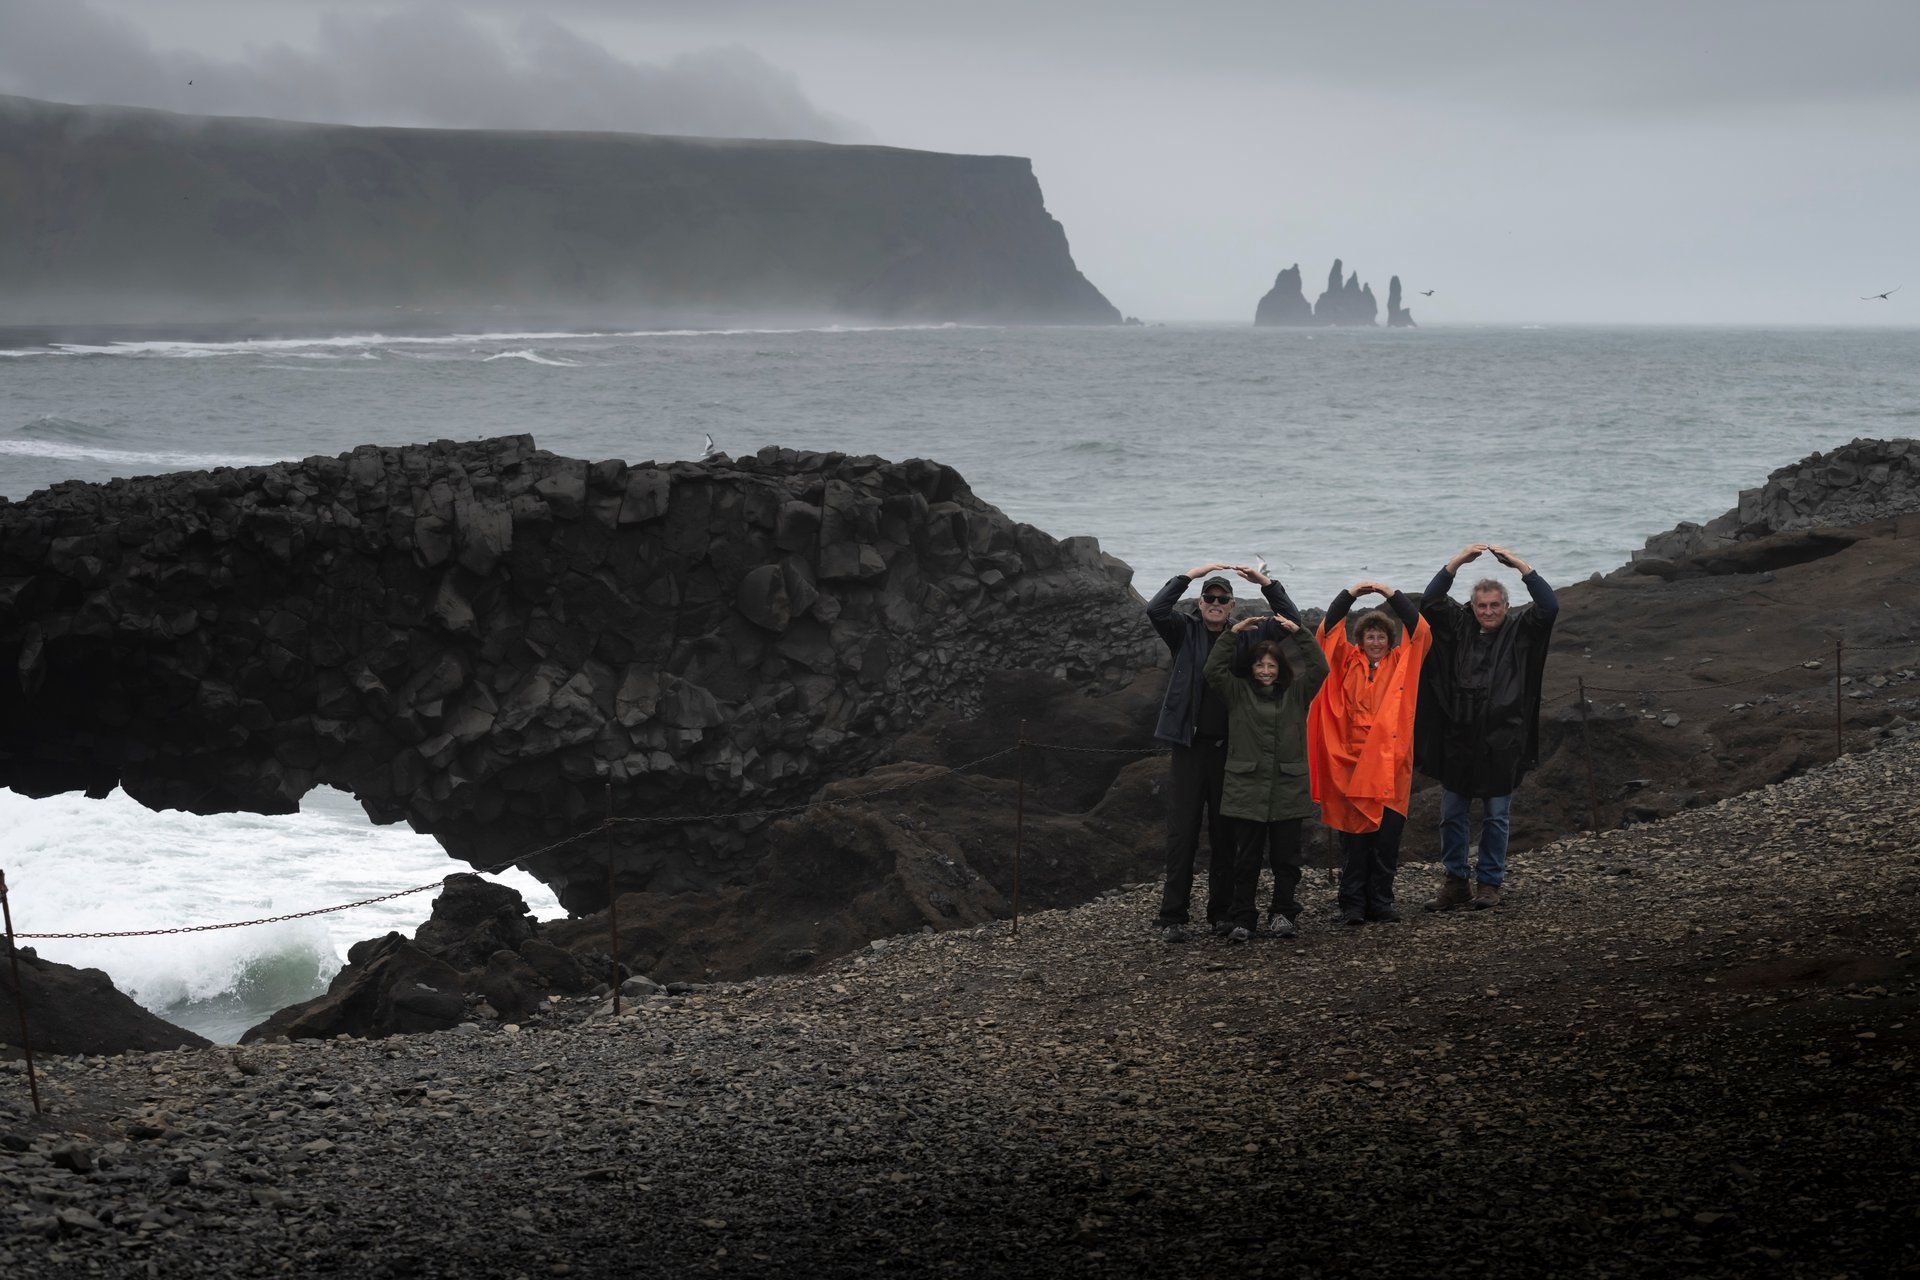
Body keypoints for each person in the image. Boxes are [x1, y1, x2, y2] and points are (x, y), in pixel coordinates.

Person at [1145, 561, 1302, 943]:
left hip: (1230, 750)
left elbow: (1291, 619)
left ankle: (1221, 913)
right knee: (1182, 835)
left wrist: (1264, 582)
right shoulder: (1183, 630)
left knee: (1224, 834)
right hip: (1189, 747)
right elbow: (1155, 609)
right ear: (1199, 604)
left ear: (1233, 606)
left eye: (1223, 599)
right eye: (1209, 598)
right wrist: (1191, 575)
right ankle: (1173, 917)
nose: (1215, 603)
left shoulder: (1247, 635)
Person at [1414, 543, 1558, 910]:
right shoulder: (1461, 626)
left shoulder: (1521, 631)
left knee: (1496, 815)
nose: (1488, 611)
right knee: (1451, 815)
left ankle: (1490, 884)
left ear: (1506, 607)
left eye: (1495, 605)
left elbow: (1549, 607)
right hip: (1459, 737)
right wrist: (1458, 561)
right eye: (1482, 606)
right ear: (1473, 607)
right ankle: (1456, 881)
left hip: (1502, 739)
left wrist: (1521, 566)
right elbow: (1430, 602)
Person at [1308, 580, 1432, 926]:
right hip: (1351, 765)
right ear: (1359, 641)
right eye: (1369, 637)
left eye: (1381, 636)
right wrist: (1348, 595)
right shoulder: (1346, 662)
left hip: (1391, 767)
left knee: (1386, 842)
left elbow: (1419, 630)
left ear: (1389, 642)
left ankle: (1381, 902)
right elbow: (1328, 631)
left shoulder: (1403, 663)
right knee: (1354, 843)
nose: (1375, 642)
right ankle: (1352, 906)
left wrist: (1392, 595)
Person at [1203, 609, 1328, 942]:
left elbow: (1321, 667)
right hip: (1247, 789)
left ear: (1280, 668)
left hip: (1287, 787)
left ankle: (1283, 914)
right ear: (1252, 668)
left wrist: (1300, 632)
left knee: (1286, 859)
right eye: (1260, 665)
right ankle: (1243, 918)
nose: (1266, 671)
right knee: (1246, 860)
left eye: (1272, 666)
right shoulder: (1237, 692)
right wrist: (1232, 634)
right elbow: (1212, 670)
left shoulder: (1297, 694)